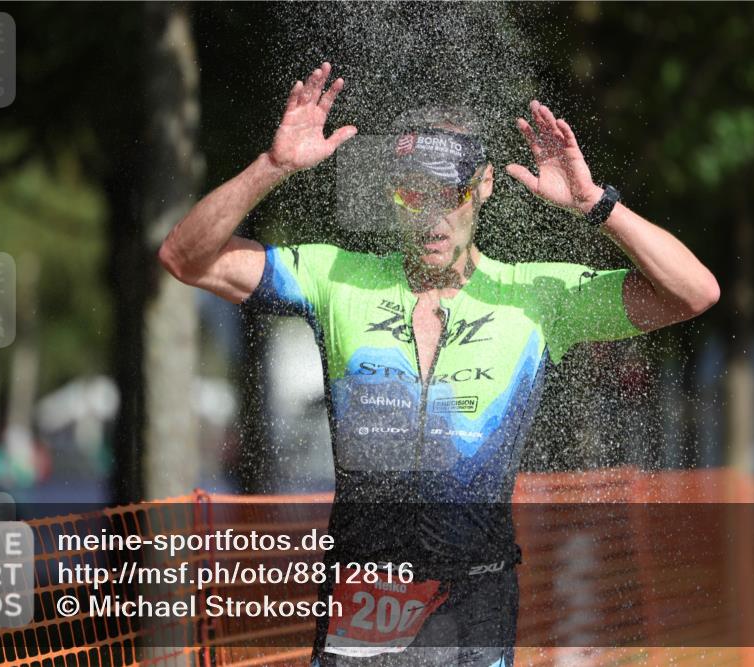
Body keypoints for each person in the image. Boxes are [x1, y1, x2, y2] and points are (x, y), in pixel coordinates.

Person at [159, 62, 719, 666]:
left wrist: (594, 202)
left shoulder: (537, 297)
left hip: (474, 601)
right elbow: (185, 257)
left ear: (482, 188)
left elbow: (693, 292)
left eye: (448, 194)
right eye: (411, 194)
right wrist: (273, 168)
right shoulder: (334, 277)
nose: (430, 216)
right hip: (361, 596)